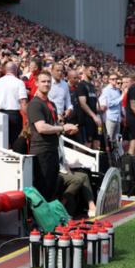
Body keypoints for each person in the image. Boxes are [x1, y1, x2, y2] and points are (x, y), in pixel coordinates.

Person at [27, 71, 78, 202]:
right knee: (43, 188)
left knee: (54, 186)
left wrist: (66, 130)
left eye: (48, 81)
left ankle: (51, 219)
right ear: (36, 83)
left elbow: (53, 127)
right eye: (43, 81)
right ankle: (40, 221)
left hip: (52, 150)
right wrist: (63, 128)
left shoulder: (51, 104)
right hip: (42, 152)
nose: (46, 84)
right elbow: (41, 128)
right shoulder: (35, 104)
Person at [0, 62, 28, 148]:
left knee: (1, 142)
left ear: (5, 70)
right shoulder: (19, 82)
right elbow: (23, 102)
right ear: (15, 70)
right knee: (15, 142)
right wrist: (28, 118)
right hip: (14, 115)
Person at [77, 64, 101, 150]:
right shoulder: (81, 85)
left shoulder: (93, 86)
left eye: (95, 72)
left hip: (94, 120)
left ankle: (94, 163)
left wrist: (97, 117)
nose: (93, 73)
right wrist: (94, 116)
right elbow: (83, 104)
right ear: (85, 71)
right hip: (86, 119)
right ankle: (70, 161)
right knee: (87, 145)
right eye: (91, 71)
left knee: (97, 144)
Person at [100, 71, 124, 141]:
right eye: (113, 79)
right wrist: (120, 99)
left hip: (117, 117)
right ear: (109, 80)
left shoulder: (117, 90)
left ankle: (114, 152)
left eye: (116, 79)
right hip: (110, 117)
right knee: (109, 138)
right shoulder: (106, 90)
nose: (115, 80)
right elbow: (108, 104)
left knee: (116, 140)